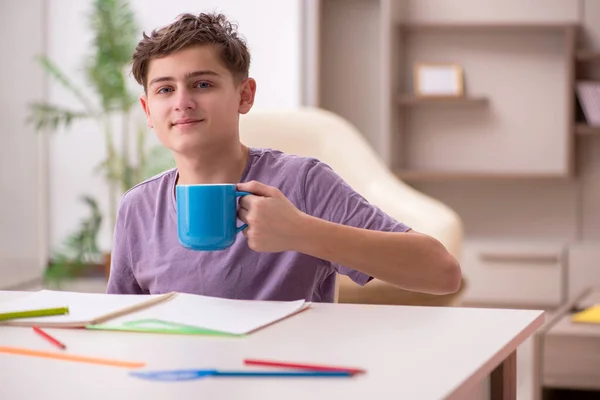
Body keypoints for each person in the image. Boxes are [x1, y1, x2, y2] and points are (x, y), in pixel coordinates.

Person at [106, 12, 461, 302]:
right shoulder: (138, 207)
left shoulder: (302, 183)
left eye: (202, 84)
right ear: (148, 111)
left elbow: (442, 273)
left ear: (245, 95)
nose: (182, 102)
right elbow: (118, 324)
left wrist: (301, 232)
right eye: (165, 89)